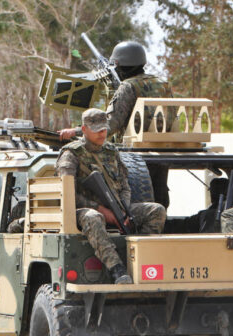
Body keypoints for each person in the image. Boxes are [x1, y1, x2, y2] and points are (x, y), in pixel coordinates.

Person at [56, 108, 166, 284]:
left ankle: (142, 260)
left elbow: (124, 185)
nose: (102, 133)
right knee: (93, 217)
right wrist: (101, 209)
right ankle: (117, 269)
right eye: (97, 129)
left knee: (156, 210)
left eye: (104, 128)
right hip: (80, 211)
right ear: (84, 130)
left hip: (116, 208)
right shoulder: (71, 154)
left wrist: (123, 209)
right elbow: (67, 192)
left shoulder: (111, 152)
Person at [58, 41, 173, 143]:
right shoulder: (163, 84)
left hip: (133, 151)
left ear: (121, 66)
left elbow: (110, 124)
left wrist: (75, 131)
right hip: (165, 146)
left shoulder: (128, 86)